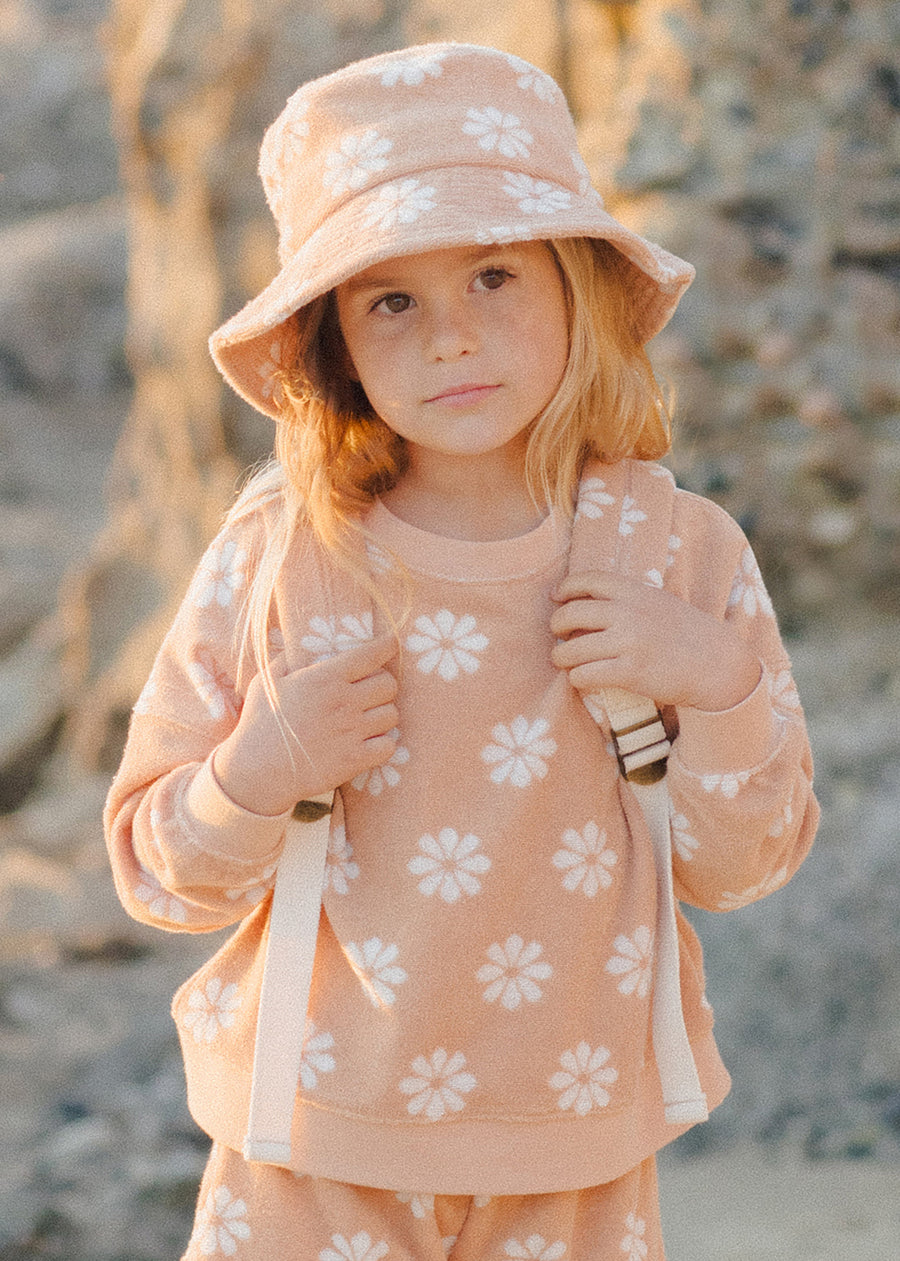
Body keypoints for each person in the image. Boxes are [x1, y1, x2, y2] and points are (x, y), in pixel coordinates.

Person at [104, 42, 818, 1261]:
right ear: (332, 340)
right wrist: (256, 772)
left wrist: (716, 681)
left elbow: (740, 864)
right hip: (311, 1141)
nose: (451, 336)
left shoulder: (675, 553)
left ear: (575, 287)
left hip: (578, 1146)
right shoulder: (281, 553)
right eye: (392, 298)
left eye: (495, 274)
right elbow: (159, 874)